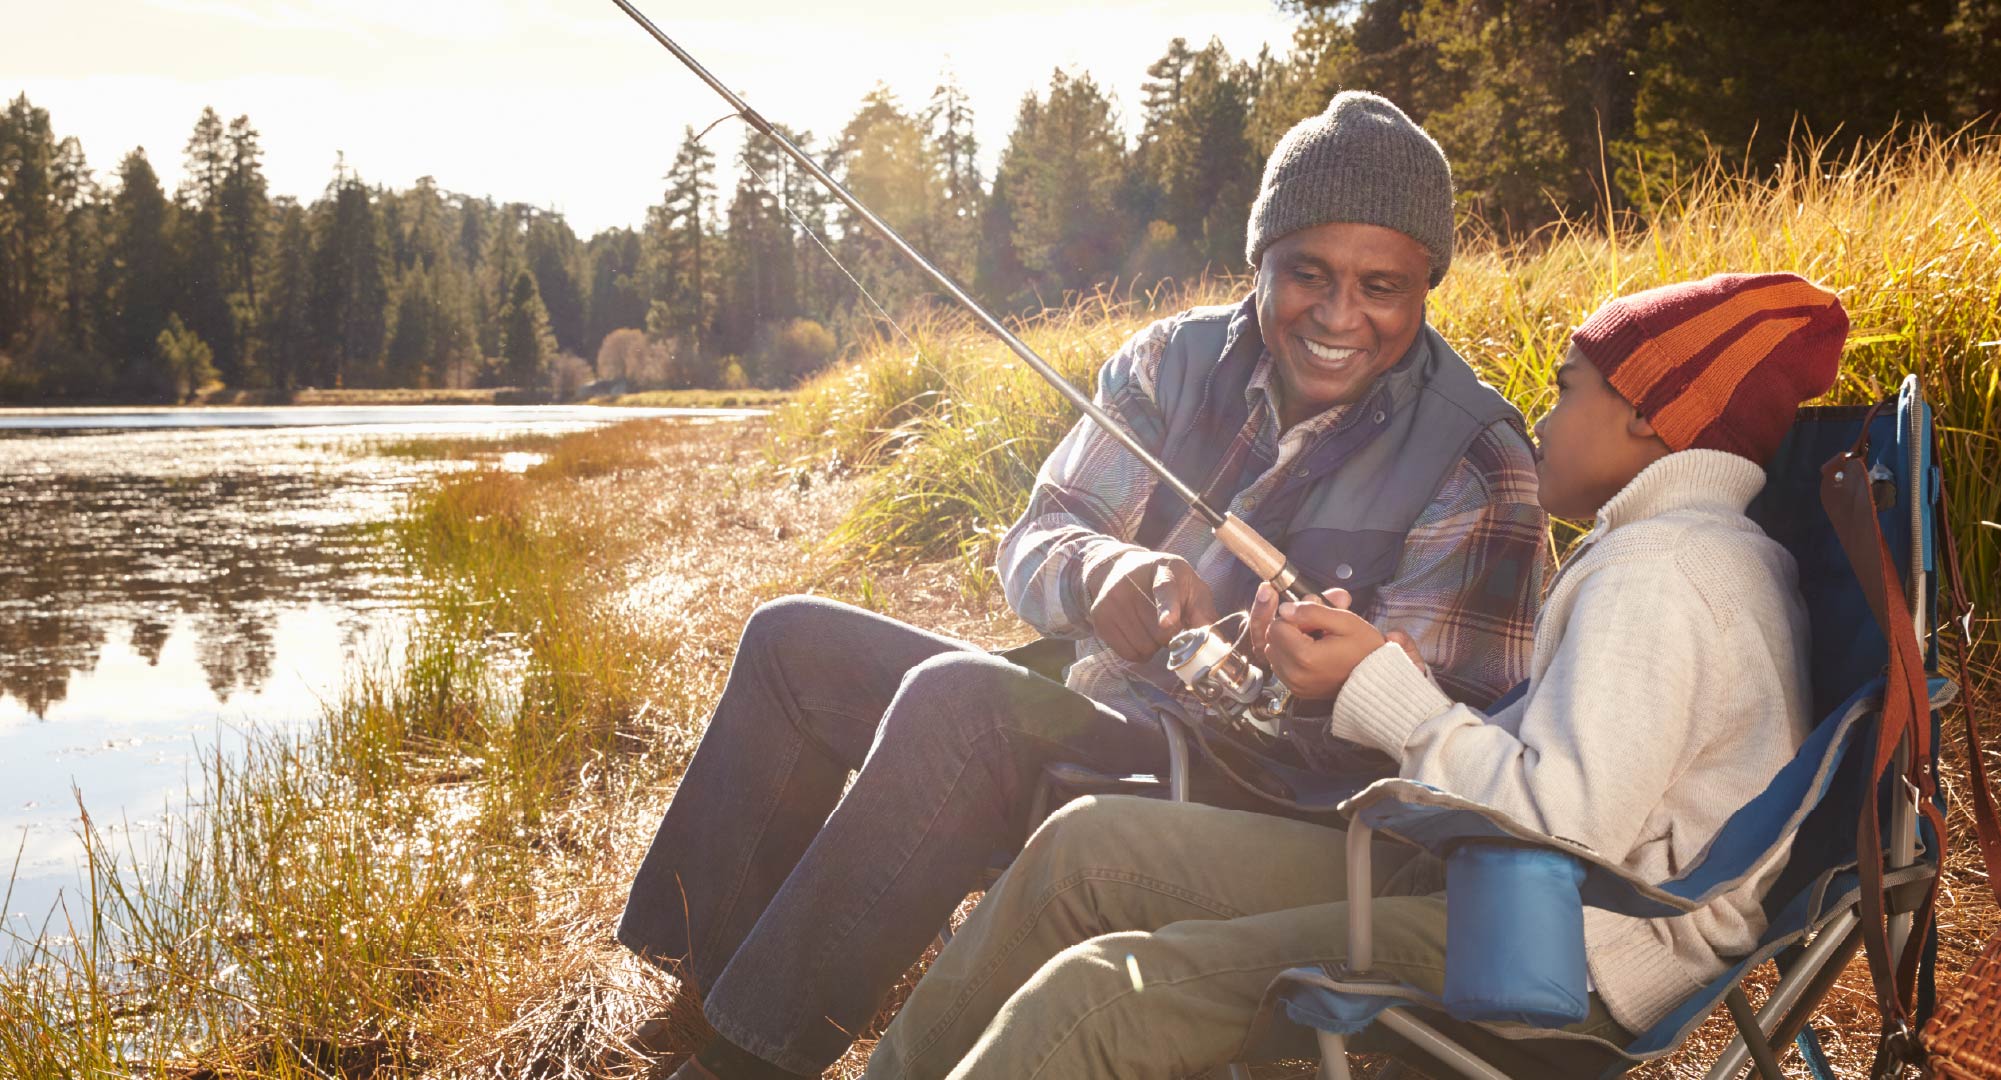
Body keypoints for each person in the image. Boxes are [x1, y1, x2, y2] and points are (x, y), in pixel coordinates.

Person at [617, 91, 1549, 1080]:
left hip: (1267, 813)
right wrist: (1100, 569)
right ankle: (701, 997)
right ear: (1260, 261)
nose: (1338, 314)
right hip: (1106, 715)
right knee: (790, 644)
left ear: (1427, 285)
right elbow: (1038, 535)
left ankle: (742, 1065)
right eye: (1307, 273)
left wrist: (1324, 686)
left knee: (965, 707)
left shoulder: (1479, 463)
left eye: (1382, 286)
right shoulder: (1170, 361)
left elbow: (1444, 754)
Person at [861, 272, 1849, 1080]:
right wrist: (1380, 680)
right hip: (1494, 885)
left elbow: (1569, 831)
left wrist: (1388, 690)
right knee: (1088, 847)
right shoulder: (1681, 553)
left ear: (1649, 414)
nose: (1542, 416)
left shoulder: (1662, 578)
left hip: (1561, 949)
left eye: (1567, 387)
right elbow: (1600, 781)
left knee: (1105, 994)